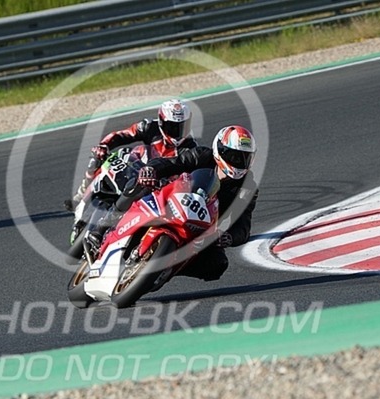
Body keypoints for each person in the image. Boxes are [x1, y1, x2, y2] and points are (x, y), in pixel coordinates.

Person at [86, 125, 258, 282]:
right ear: (220, 150)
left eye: (245, 158)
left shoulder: (248, 187)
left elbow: (244, 225)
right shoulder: (202, 155)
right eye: (234, 156)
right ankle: (102, 227)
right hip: (172, 198)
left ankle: (165, 269)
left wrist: (230, 237)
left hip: (201, 226)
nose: (239, 162)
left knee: (218, 264)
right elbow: (172, 162)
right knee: (140, 183)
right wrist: (151, 169)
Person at [65, 98, 197, 211]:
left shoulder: (191, 148)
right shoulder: (149, 126)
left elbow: (189, 179)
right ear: (162, 122)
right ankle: (80, 196)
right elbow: (123, 134)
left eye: (183, 126)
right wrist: (104, 146)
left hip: (155, 185)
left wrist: (167, 181)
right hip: (133, 167)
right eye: (172, 127)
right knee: (96, 159)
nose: (178, 132)